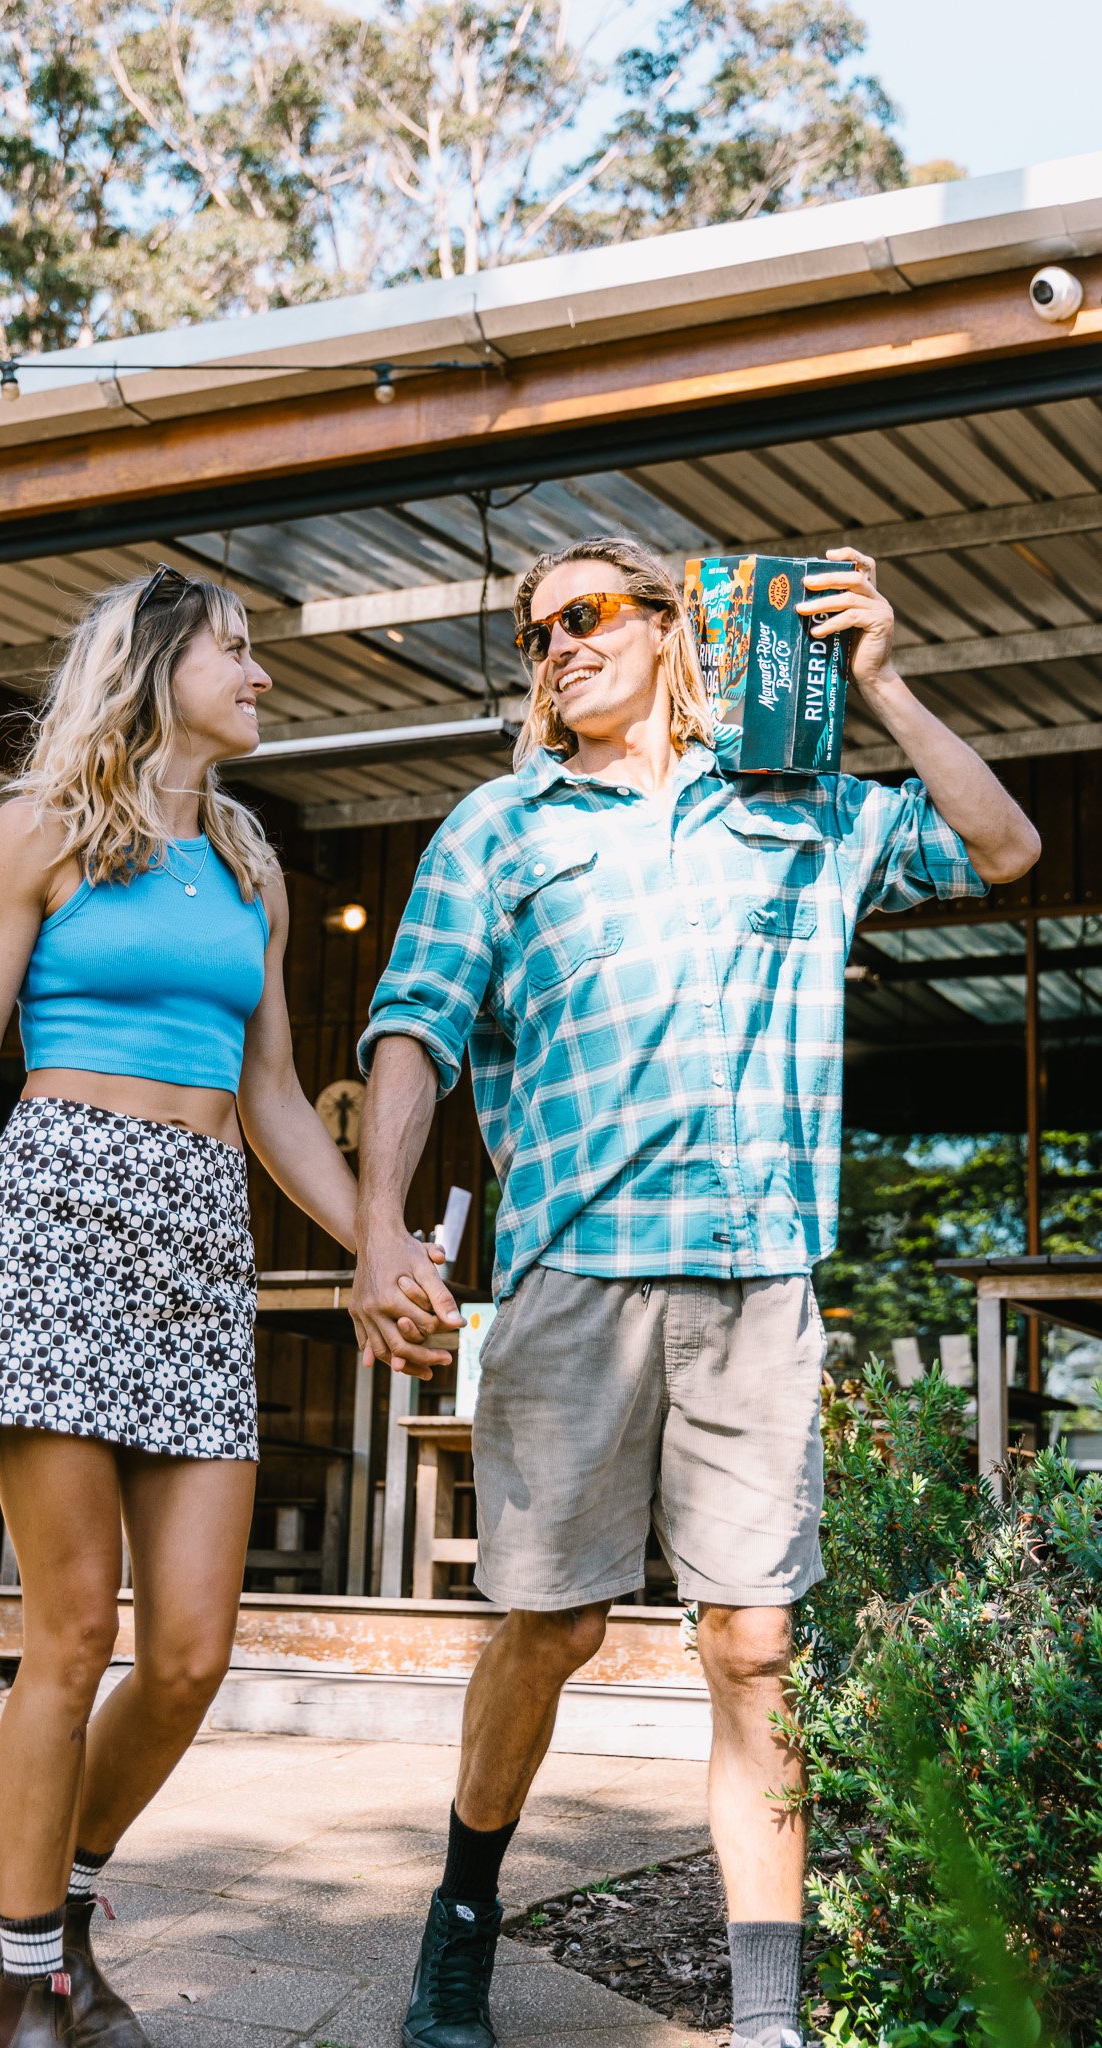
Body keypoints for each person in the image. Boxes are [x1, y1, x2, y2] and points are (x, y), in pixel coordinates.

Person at [349, 539, 1040, 2048]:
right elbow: (413, 1028)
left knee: (751, 1643)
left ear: (678, 631)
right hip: (567, 1280)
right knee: (548, 1628)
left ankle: (769, 2016)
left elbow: (1000, 848)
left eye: (587, 616)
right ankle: (457, 1935)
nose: (557, 647)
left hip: (754, 1280)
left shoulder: (798, 811)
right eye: (534, 633)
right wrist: (378, 1228)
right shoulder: (495, 827)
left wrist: (886, 682)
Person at [0, 566, 364, 2048]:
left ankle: (58, 1904)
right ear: (152, 667)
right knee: (70, 1632)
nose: (262, 679)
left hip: (198, 1246)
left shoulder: (252, 864)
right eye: (239, 655)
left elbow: (268, 1094)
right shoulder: (39, 833)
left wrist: (379, 1238)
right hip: (55, 1220)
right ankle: (21, 1981)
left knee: (190, 1650)